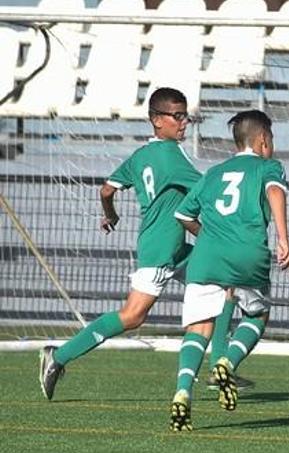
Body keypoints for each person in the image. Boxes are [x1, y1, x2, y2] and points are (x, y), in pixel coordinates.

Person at [38, 87, 208, 400]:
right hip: (161, 250)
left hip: (172, 246)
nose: (184, 123)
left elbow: (105, 190)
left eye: (186, 116)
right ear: (157, 120)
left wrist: (110, 216)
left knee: (220, 284)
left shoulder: (141, 156)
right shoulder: (172, 154)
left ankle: (224, 365)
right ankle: (58, 357)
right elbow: (207, 189)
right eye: (178, 116)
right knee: (132, 316)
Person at [169, 109, 289, 431]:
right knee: (256, 315)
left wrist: (211, 237)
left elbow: (182, 215)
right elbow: (274, 192)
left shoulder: (213, 173)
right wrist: (283, 239)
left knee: (198, 328)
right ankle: (228, 361)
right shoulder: (269, 167)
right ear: (263, 140)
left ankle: (183, 392)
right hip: (248, 253)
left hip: (207, 256)